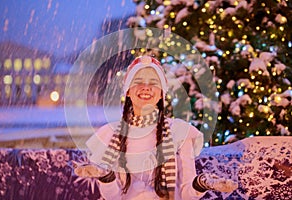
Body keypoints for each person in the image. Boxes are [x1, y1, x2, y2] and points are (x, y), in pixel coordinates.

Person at [73, 55, 238, 199]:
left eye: (153, 82)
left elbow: (187, 193)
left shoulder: (180, 132)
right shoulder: (110, 135)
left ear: (161, 93)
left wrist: (204, 183)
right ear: (128, 91)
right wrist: (106, 177)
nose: (146, 87)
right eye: (138, 81)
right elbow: (113, 197)